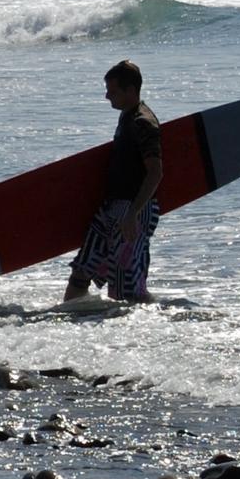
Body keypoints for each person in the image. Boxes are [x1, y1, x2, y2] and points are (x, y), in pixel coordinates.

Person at [63, 59, 163, 304]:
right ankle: (73, 322)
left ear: (131, 91)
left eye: (113, 91)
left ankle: (161, 322)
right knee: (81, 272)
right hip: (110, 210)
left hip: (133, 212)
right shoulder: (126, 116)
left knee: (127, 292)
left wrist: (133, 213)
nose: (107, 96)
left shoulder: (143, 123)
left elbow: (155, 173)